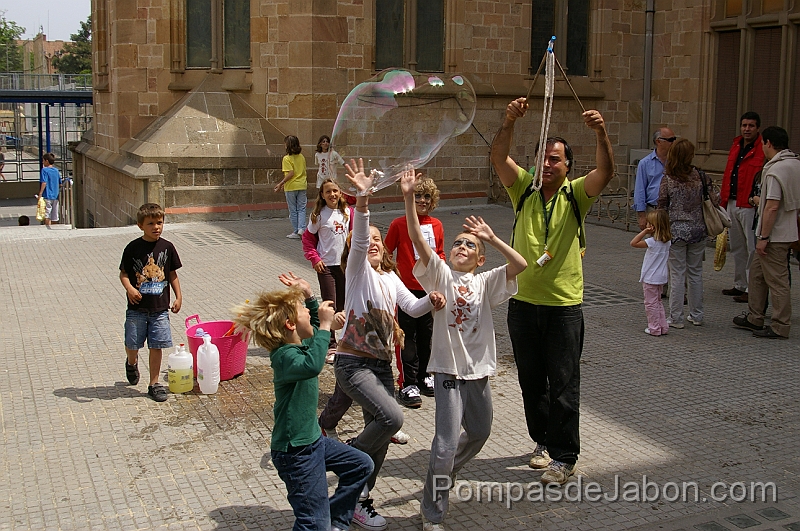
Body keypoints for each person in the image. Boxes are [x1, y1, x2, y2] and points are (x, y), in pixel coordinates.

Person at [490, 97, 614, 485]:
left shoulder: (576, 194)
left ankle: (565, 456)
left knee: (563, 385)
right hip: (523, 303)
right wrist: (509, 120)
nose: (546, 164)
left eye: (555, 159)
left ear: (568, 166)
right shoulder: (523, 189)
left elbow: (606, 172)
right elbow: (498, 158)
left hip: (563, 306)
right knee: (531, 381)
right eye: (542, 158)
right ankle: (542, 442)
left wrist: (601, 133)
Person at [398, 171, 527, 531]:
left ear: (480, 259)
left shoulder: (485, 281)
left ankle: (443, 473)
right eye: (457, 243)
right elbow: (416, 239)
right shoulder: (440, 273)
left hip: (479, 371)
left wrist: (492, 238)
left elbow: (520, 265)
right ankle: (432, 512)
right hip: (448, 372)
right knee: (444, 444)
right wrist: (408, 198)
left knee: (480, 432)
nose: (461, 247)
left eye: (470, 246)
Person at [334, 158, 445, 530]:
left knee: (380, 438)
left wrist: (432, 299)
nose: (373, 244)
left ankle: (357, 499)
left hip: (382, 366)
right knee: (393, 418)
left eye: (379, 241)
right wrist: (363, 201)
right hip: (354, 363)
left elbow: (412, 307)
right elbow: (360, 238)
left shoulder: (391, 278)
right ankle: (344, 455)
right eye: (367, 241)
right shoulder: (357, 272)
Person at [232, 272, 373, 531]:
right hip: (295, 452)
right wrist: (326, 326)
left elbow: (311, 330)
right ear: (289, 325)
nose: (310, 313)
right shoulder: (285, 356)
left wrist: (309, 296)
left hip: (313, 441)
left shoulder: (299, 344)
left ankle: (336, 521)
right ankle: (323, 523)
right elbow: (312, 365)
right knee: (312, 522)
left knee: (360, 465)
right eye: (304, 311)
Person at [733, 126, 800, 339]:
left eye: (763, 143)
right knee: (757, 275)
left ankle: (780, 325)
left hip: (774, 235)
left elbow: (772, 206)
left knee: (777, 281)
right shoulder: (795, 164)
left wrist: (764, 237)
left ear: (768, 143)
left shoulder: (775, 170)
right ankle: (755, 316)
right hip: (785, 229)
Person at [384, 175, 445, 407]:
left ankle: (424, 376)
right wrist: (392, 277)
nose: (422, 200)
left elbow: (440, 253)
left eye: (427, 196)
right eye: (417, 195)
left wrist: (442, 271)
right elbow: (387, 252)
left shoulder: (437, 225)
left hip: (429, 290)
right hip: (406, 290)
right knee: (407, 338)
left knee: (427, 337)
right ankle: (407, 382)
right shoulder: (398, 224)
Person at [119, 203, 183, 402]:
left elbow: (172, 274)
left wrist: (178, 296)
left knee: (157, 344)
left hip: (160, 309)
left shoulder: (167, 247)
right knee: (133, 343)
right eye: (151, 223)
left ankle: (154, 383)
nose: (156, 227)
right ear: (140, 225)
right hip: (137, 308)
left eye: (159, 223)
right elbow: (123, 274)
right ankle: (132, 362)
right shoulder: (132, 248)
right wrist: (130, 289)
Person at [657, 139, 717, 328]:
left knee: (677, 274)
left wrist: (660, 230)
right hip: (698, 230)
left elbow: (661, 205)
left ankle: (676, 317)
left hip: (676, 231)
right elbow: (715, 199)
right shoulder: (701, 176)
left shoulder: (668, 178)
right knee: (695, 272)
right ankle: (697, 315)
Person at [719, 112, 765, 303]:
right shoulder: (736, 145)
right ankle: (740, 284)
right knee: (737, 246)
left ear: (757, 128)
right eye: (744, 125)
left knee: (751, 247)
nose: (747, 129)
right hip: (732, 201)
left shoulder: (762, 149)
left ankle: (751, 288)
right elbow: (728, 174)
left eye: (751, 126)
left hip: (749, 205)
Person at [630, 209, 672, 336]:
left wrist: (644, 232)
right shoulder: (667, 242)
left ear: (653, 226)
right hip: (661, 276)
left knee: (650, 303)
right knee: (658, 302)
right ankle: (663, 326)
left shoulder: (652, 242)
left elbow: (633, 243)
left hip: (651, 277)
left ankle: (654, 327)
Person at [634, 127, 676, 230]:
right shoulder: (645, 163)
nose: (673, 143)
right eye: (670, 140)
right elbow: (640, 190)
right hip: (654, 210)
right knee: (654, 240)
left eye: (674, 139)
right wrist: (642, 216)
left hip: (673, 210)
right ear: (658, 141)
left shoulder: (676, 161)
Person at [275, 135, 309, 239]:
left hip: (291, 186)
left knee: (293, 210)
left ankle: (296, 231)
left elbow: (290, 173)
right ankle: (301, 228)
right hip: (302, 184)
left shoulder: (286, 158)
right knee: (302, 208)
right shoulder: (301, 157)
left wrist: (281, 183)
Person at [38, 153, 62, 227]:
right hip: (55, 195)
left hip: (47, 195)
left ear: (47, 161)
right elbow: (60, 183)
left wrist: (40, 193)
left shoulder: (44, 170)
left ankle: (48, 227)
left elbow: (44, 182)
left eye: (43, 160)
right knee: (55, 215)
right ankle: (54, 227)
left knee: (47, 214)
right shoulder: (56, 170)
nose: (42, 162)